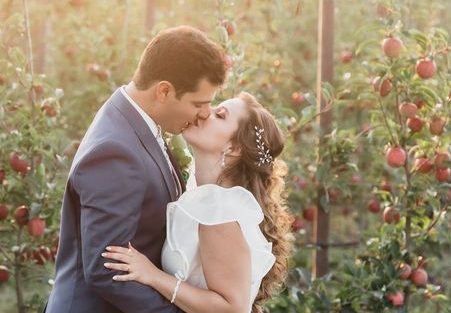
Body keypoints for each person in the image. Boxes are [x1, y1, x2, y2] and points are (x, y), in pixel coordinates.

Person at [45, 26, 227, 313]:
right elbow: (109, 272)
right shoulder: (116, 153)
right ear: (164, 91)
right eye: (198, 103)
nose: (204, 113)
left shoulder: (133, 123)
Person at [102, 92, 292, 313]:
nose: (204, 112)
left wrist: (154, 276)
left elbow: (232, 308)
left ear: (234, 148)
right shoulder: (203, 197)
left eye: (219, 115)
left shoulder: (219, 211)